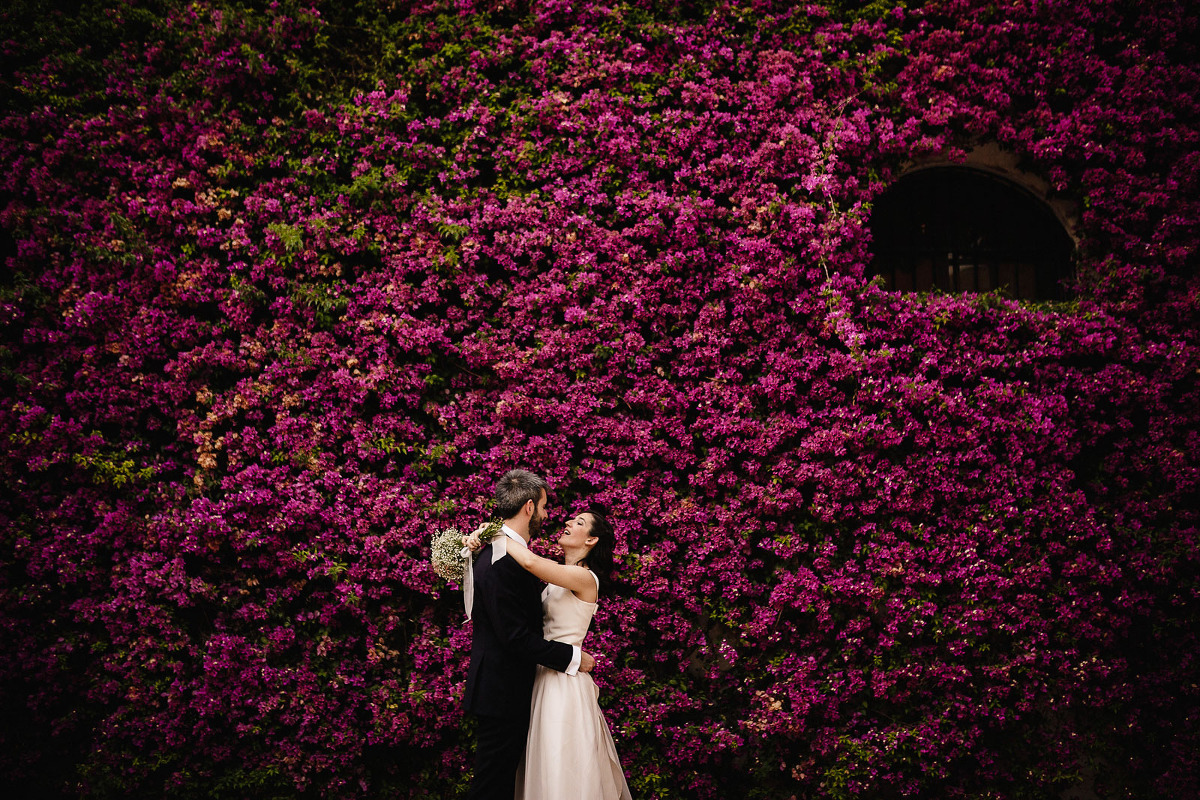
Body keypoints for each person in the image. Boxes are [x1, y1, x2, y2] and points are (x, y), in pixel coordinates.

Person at [466, 509, 632, 800]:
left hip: (564, 683)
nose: (568, 522)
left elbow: (529, 560)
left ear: (591, 540)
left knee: (560, 760)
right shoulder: (556, 577)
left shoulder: (584, 577)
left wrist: (495, 533)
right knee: (540, 761)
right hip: (543, 676)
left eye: (579, 523)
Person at [462, 469, 597, 800]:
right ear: (528, 507)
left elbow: (533, 568)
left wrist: (492, 534)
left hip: (523, 688)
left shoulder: (503, 552)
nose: (548, 515)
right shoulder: (502, 558)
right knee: (493, 785)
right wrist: (575, 657)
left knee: (521, 777)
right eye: (545, 507)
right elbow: (515, 636)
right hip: (504, 690)